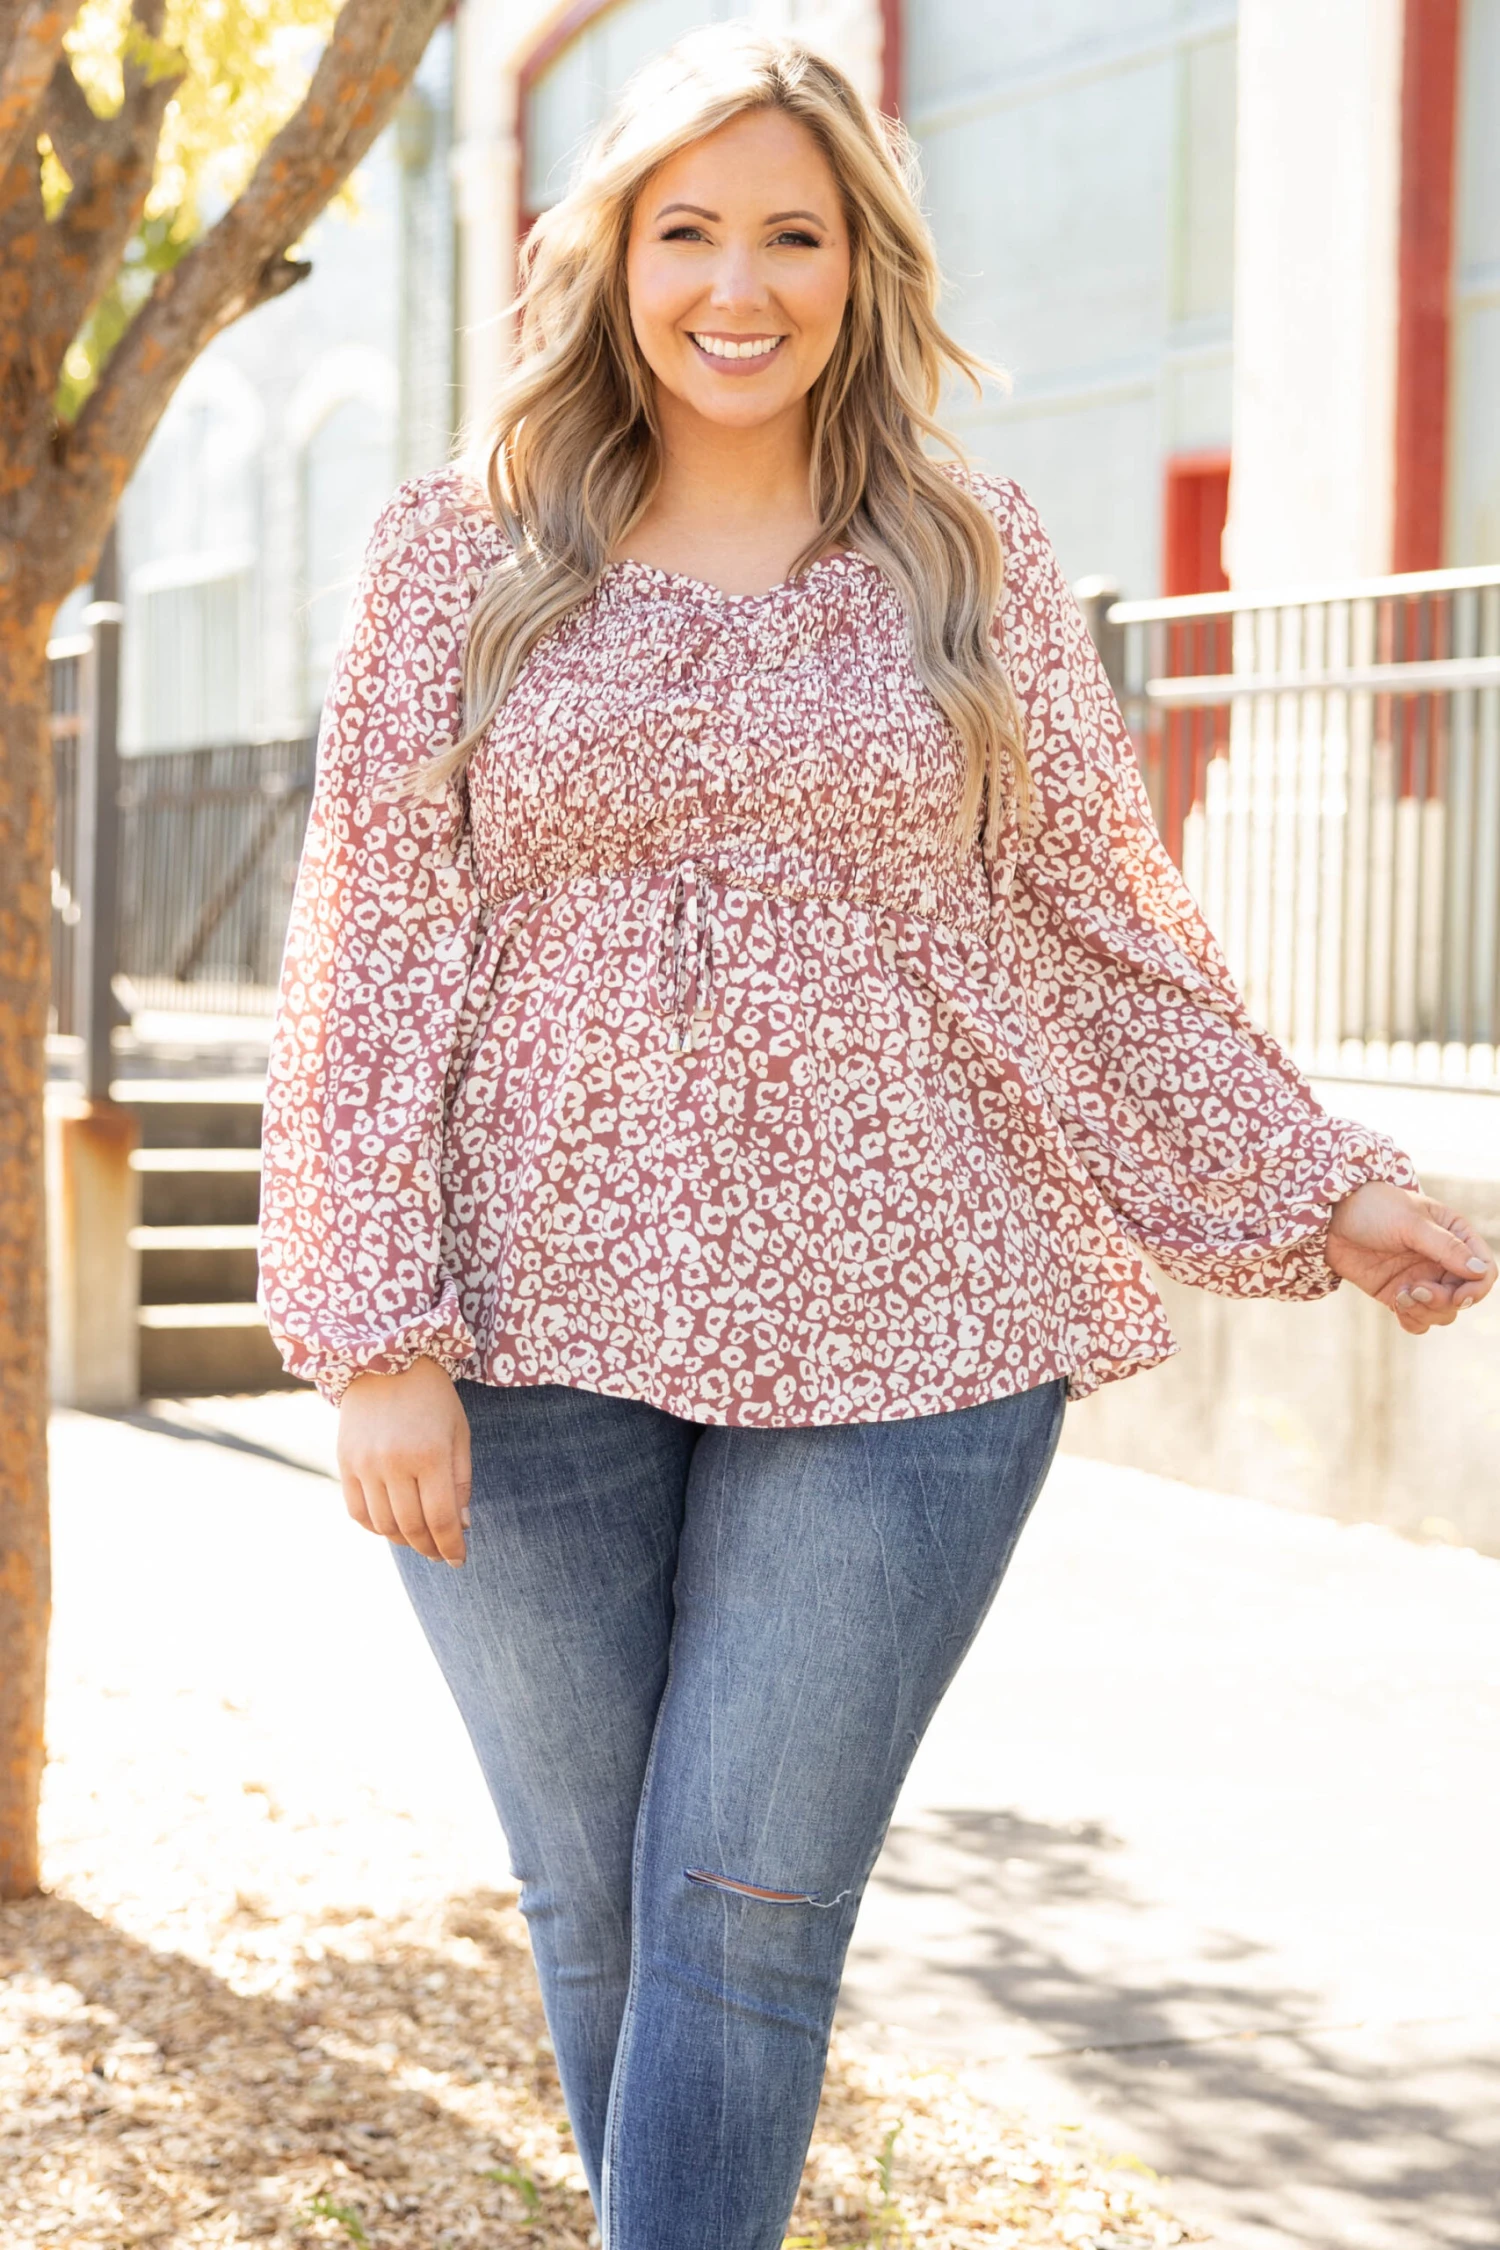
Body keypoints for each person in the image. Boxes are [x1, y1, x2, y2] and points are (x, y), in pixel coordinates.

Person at [258, 27, 1495, 2248]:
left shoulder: (964, 547)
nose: (739, 286)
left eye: (794, 236)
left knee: (740, 1908)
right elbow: (371, 939)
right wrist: (375, 1330)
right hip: (518, 1328)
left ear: (864, 266)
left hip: (920, 1324)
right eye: (689, 231)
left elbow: (1093, 919)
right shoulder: (457, 551)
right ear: (611, 258)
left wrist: (1325, 1185)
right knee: (600, 1909)